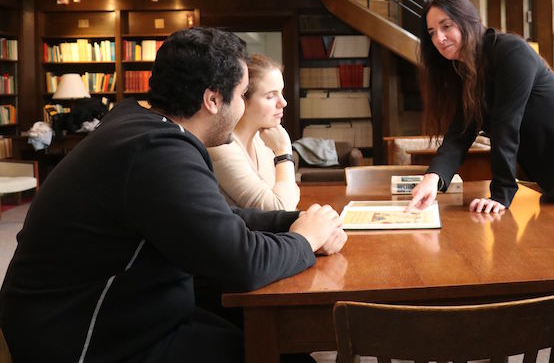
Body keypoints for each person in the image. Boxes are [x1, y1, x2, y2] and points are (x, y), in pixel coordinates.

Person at [0, 27, 347, 362]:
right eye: (242, 96)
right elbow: (243, 264)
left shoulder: (142, 128)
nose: (243, 107)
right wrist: (303, 240)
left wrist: (296, 222)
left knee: (283, 345)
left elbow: (215, 219)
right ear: (212, 99)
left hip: (130, 314)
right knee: (283, 354)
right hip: (87, 339)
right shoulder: (157, 150)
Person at [405, 0, 554, 363]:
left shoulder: (510, 51)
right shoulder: (466, 72)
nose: (439, 39)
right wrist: (433, 179)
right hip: (553, 173)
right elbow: (459, 135)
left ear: (468, 21)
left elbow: (507, 124)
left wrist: (501, 194)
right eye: (432, 32)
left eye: (446, 26)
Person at [209, 54, 300, 211]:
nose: (283, 103)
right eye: (270, 96)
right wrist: (283, 152)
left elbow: (291, 193)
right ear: (242, 98)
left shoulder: (263, 140)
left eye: (281, 92)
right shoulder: (221, 149)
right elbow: (280, 209)